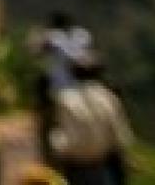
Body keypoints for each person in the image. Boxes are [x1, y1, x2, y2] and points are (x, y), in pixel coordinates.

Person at [47, 56, 133, 185]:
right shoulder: (109, 97)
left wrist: (56, 149)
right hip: (103, 165)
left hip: (76, 166)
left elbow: (65, 140)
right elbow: (120, 137)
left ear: (74, 74)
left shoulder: (65, 99)